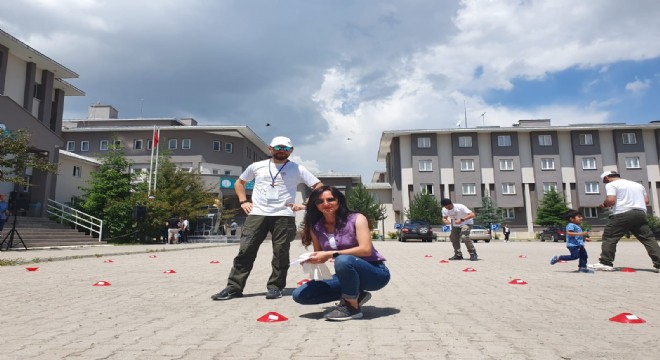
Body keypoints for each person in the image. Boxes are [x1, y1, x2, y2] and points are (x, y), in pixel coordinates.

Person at [211, 136, 323, 301]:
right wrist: (243, 201)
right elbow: (239, 183)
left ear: (291, 151)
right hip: (258, 213)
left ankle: (275, 287)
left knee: (280, 253)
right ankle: (234, 288)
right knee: (246, 250)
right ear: (270, 149)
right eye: (278, 147)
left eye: (285, 148)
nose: (281, 151)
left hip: (284, 215)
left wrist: (306, 203)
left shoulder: (297, 169)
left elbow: (318, 186)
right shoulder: (257, 166)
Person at [292, 186, 390, 321]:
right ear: (315, 205)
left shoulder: (357, 218)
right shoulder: (315, 227)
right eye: (320, 201)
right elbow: (320, 254)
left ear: (339, 201)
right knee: (300, 295)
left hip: (375, 274)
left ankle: (351, 307)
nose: (325, 204)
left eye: (330, 199)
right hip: (347, 276)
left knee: (343, 260)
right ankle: (356, 294)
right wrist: (311, 259)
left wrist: (331, 254)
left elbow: (365, 249)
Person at [589, 171, 660, 273]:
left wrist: (604, 205)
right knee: (648, 239)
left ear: (607, 177)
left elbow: (611, 200)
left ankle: (605, 263)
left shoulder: (612, 184)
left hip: (622, 213)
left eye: (604, 180)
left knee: (610, 237)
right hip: (640, 213)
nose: (604, 182)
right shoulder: (638, 185)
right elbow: (646, 201)